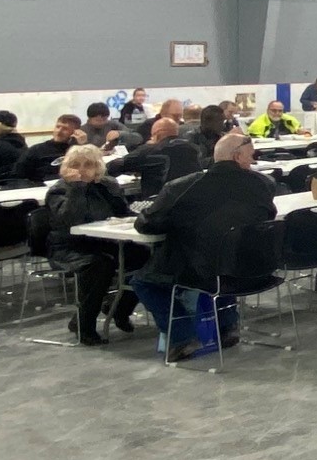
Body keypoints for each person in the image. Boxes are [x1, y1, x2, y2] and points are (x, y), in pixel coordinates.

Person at [128, 133, 277, 360]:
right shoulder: (264, 184)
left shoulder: (181, 187)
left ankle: (182, 336)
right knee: (225, 258)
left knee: (144, 282)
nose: (253, 160)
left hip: (202, 271)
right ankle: (228, 327)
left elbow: (147, 224)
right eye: (251, 156)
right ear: (237, 157)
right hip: (255, 268)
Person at [43, 145, 134, 345]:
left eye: (89, 165)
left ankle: (119, 308)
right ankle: (84, 325)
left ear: (98, 168)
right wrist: (77, 188)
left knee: (144, 255)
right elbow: (69, 220)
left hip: (106, 240)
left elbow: (123, 212)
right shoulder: (59, 191)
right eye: (76, 165)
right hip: (70, 246)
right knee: (99, 265)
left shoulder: (106, 185)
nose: (82, 169)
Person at [110, 117, 203, 196]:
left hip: (159, 202)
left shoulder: (153, 150)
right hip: (192, 199)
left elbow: (117, 166)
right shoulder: (193, 148)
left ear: (157, 134)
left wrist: (146, 147)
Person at [15, 115, 87, 183]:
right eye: (58, 127)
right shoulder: (36, 150)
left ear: (75, 132)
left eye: (65, 129)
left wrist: (81, 145)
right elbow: (18, 174)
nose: (59, 131)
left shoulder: (77, 151)